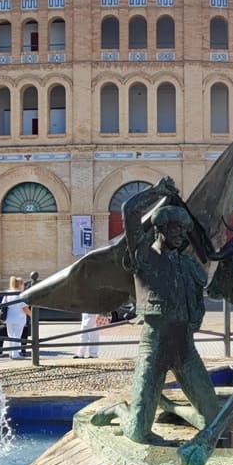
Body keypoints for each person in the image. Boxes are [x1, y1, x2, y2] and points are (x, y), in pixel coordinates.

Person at [95, 177, 220, 443]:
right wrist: (157, 192)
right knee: (139, 434)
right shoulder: (144, 256)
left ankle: (172, 407)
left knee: (214, 424)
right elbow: (130, 211)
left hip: (185, 350)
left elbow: (199, 302)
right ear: (160, 229)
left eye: (184, 230)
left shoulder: (190, 267)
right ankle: (119, 409)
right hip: (154, 348)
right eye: (175, 229)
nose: (181, 235)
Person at [2, 275, 30, 360]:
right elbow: (25, 308)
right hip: (19, 318)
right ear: (20, 284)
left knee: (11, 336)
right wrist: (32, 315)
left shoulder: (8, 293)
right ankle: (15, 354)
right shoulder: (21, 295)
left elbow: (3, 304)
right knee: (17, 336)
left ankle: (11, 353)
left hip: (9, 318)